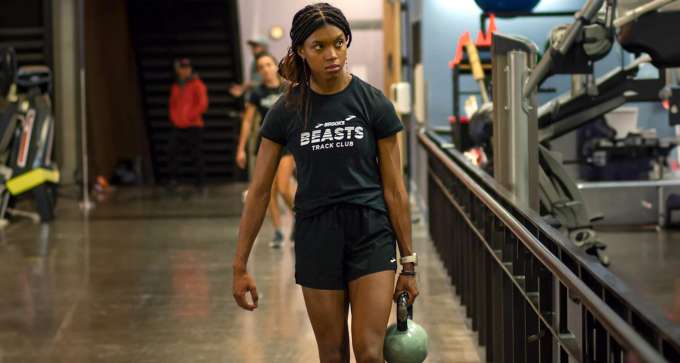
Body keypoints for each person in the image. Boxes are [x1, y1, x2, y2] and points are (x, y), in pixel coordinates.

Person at [232, 3, 418, 363]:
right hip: (316, 234)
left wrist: (408, 264)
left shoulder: (374, 103)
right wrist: (240, 266)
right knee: (332, 355)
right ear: (301, 50)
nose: (332, 54)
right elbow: (258, 191)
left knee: (369, 352)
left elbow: (395, 189)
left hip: (370, 231)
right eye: (319, 46)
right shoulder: (286, 110)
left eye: (339, 43)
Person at [235, 52, 295, 248]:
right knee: (268, 190)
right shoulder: (257, 93)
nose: (265, 69)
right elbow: (247, 121)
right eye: (261, 67)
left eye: (268, 64)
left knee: (284, 187)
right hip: (266, 143)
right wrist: (241, 149)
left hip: (287, 143)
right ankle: (278, 232)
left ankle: (303, 220)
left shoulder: (287, 87)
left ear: (274, 65)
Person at [168, 58, 208, 189]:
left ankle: (200, 182)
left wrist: (189, 117)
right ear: (178, 70)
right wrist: (176, 119)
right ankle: (174, 180)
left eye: (187, 67)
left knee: (195, 153)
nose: (185, 70)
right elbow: (173, 105)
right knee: (172, 151)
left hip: (194, 125)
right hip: (178, 126)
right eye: (182, 67)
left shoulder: (197, 84)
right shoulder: (176, 86)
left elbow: (202, 104)